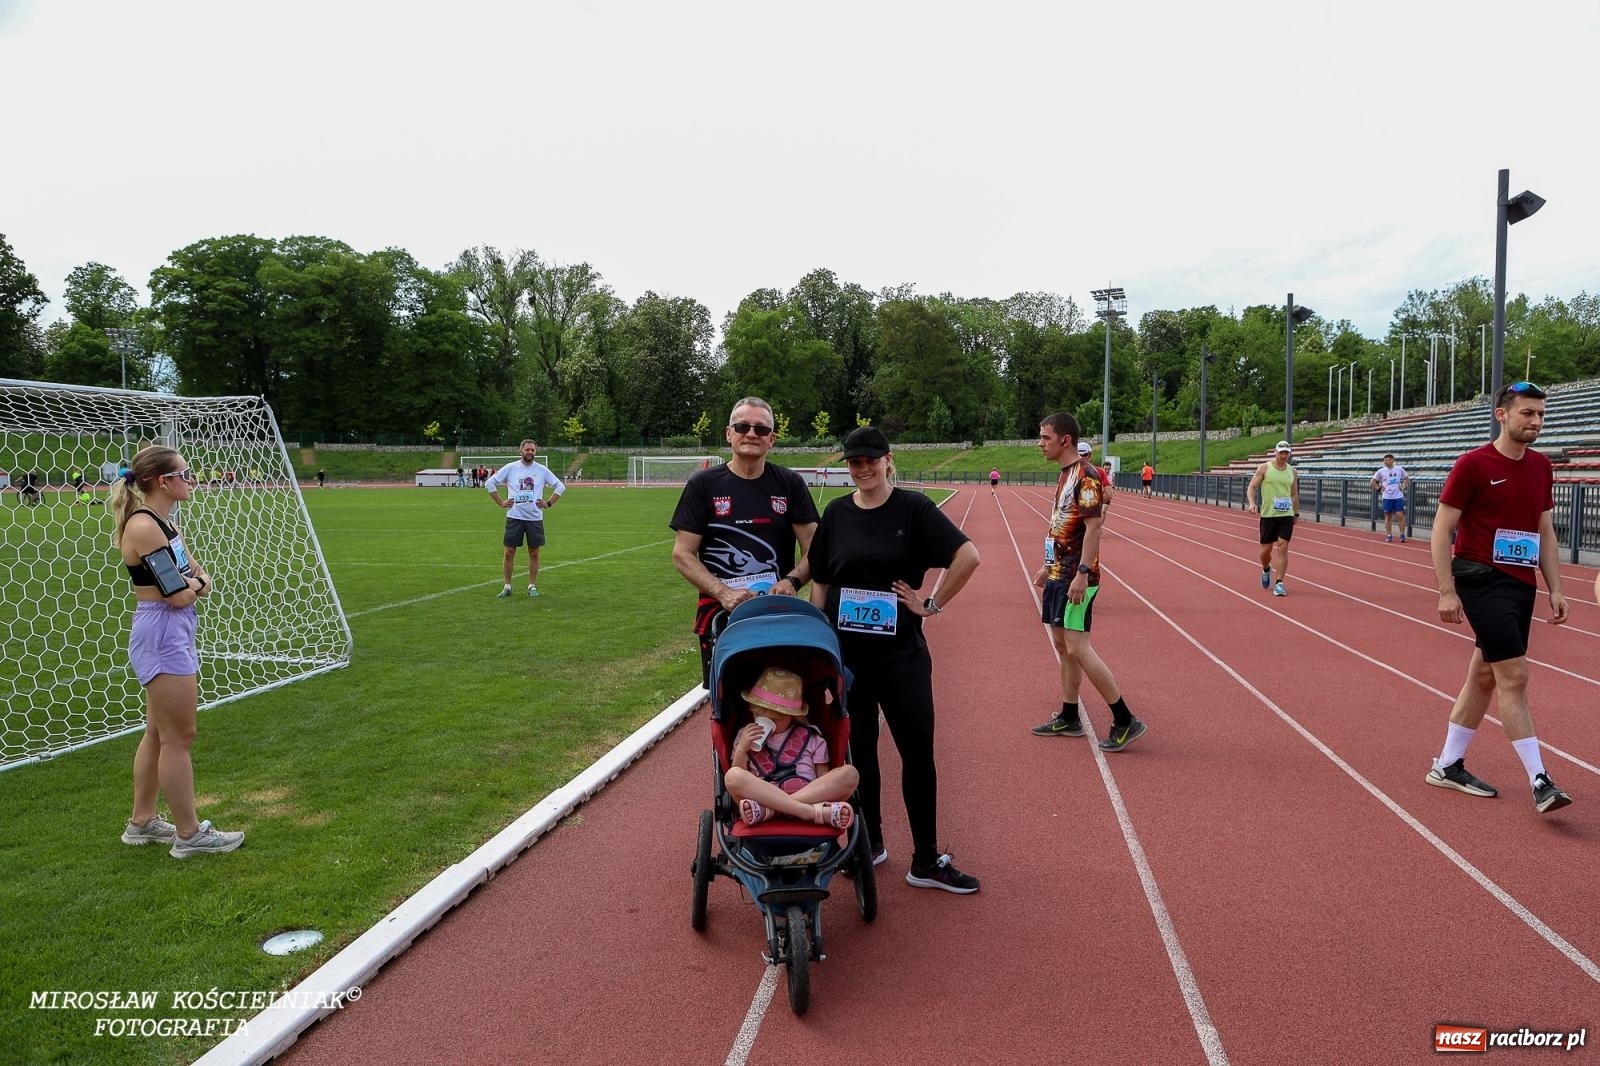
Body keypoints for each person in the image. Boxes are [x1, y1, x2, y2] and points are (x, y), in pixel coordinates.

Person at [809, 425, 982, 893]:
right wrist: (816, 631)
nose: (863, 468)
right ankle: (870, 843)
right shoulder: (837, 514)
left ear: (889, 460)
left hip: (901, 655)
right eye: (854, 461)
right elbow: (822, 580)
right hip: (848, 657)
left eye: (871, 459)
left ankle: (925, 858)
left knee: (917, 751)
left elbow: (968, 556)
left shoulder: (914, 508)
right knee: (859, 751)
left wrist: (931, 604)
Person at [1426, 381, 1571, 814]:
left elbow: (1544, 532)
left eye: (1541, 415)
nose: (1536, 422)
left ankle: (1448, 765)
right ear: (1502, 414)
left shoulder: (1542, 467)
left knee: (1484, 676)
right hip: (1479, 577)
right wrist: (1447, 590)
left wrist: (1556, 586)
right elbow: (1440, 529)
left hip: (1519, 583)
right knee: (1515, 676)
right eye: (1527, 413)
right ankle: (1540, 780)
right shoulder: (1472, 464)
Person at [111, 445, 244, 858]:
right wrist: (200, 585)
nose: (192, 480)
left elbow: (193, 576)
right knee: (179, 736)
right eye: (185, 474)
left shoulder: (164, 523)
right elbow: (179, 594)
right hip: (162, 630)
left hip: (172, 629)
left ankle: (142, 823)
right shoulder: (145, 526)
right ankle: (188, 835)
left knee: (158, 731)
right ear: (162, 481)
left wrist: (197, 584)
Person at [670, 397, 819, 685]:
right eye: (742, 426)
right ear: (729, 433)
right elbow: (682, 554)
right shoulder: (703, 484)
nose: (751, 434)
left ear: (772, 439)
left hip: (775, 612)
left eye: (761, 429)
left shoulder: (790, 483)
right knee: (727, 704)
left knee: (781, 700)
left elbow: (814, 547)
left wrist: (792, 581)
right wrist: (724, 593)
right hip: (720, 614)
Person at [1030, 414, 1147, 751]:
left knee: (1078, 647)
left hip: (1076, 576)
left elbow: (1094, 528)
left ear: (1065, 440)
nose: (1041, 443)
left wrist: (1082, 573)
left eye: (1045, 437)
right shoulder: (1066, 474)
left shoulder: (1088, 476)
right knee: (1063, 646)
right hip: (1059, 571)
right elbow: (1063, 526)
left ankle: (1125, 719)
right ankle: (1069, 716)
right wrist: (1046, 565)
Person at [723, 666, 859, 828]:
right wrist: (742, 749)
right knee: (732, 776)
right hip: (764, 794)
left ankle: (775, 809)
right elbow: (739, 776)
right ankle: (808, 812)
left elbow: (823, 777)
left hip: (782, 801)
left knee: (850, 773)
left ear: (793, 716)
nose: (765, 722)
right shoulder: (744, 735)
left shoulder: (812, 738)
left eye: (774, 719)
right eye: (758, 716)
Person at [486, 440, 566, 597]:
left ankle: (532, 586)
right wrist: (502, 502)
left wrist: (548, 503)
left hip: (534, 518)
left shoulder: (542, 470)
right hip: (514, 516)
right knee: (509, 551)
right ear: (520, 451)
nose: (530, 452)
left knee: (534, 552)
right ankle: (507, 587)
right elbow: (490, 483)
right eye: (527, 449)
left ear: (535, 452)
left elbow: (560, 486)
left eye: (532, 450)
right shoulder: (510, 468)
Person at [1246, 441, 1299, 597]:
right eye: (1281, 452)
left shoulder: (1293, 471)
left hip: (1286, 515)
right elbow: (1252, 487)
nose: (1283, 456)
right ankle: (1266, 568)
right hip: (1269, 515)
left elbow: (1294, 494)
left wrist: (1296, 513)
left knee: (1283, 546)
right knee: (1265, 551)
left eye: (1286, 453)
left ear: (1289, 454)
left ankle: (1279, 583)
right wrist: (1252, 503)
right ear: (1275, 452)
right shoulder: (1264, 468)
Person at [1371, 454, 1410, 542]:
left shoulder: (1399, 469)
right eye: (1384, 460)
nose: (1385, 462)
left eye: (1387, 460)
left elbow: (1407, 479)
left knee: (1400, 515)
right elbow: (1373, 481)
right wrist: (1379, 488)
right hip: (1387, 497)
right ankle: (1389, 535)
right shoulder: (1381, 471)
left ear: (1392, 460)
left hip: (1398, 496)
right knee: (1388, 516)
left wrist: (1403, 486)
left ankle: (1402, 534)